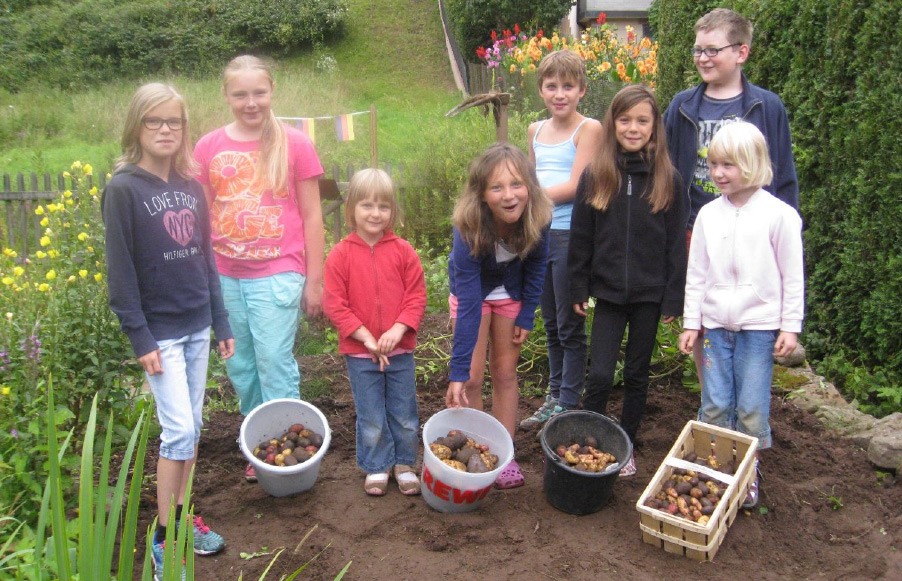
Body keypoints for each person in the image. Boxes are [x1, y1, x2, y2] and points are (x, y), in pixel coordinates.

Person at [103, 83, 235, 579]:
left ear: (184, 130)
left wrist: (219, 320)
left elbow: (206, 260)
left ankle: (182, 518)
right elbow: (121, 275)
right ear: (136, 126)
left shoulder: (190, 187)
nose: (164, 130)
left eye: (173, 122)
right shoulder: (123, 189)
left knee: (193, 430)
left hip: (198, 324)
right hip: (160, 334)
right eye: (154, 121)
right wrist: (140, 337)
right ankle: (162, 537)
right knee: (178, 430)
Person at [194, 55, 325, 483]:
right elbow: (198, 216)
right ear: (226, 96)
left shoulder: (294, 143)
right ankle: (259, 444)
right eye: (240, 94)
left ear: (271, 92)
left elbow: (311, 215)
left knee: (273, 359)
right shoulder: (208, 147)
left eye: (259, 93)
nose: (251, 102)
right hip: (224, 276)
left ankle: (288, 445)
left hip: (278, 273)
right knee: (242, 366)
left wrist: (316, 282)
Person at [663, 8, 799, 391]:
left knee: (751, 323)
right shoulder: (682, 106)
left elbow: (784, 174)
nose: (702, 58)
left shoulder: (765, 107)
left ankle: (748, 407)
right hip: (698, 228)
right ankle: (715, 399)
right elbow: (667, 171)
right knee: (707, 324)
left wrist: (789, 231)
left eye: (712, 50)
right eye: (697, 50)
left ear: (741, 53)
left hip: (755, 233)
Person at [678, 121, 804, 508]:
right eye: (714, 164)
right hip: (715, 326)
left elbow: (792, 275)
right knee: (715, 402)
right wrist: (691, 322)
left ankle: (748, 472)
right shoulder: (708, 216)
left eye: (728, 165)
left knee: (750, 407)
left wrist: (790, 326)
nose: (718, 173)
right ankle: (716, 469)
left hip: (759, 328)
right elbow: (696, 274)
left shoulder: (779, 216)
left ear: (752, 164)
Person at [568, 85, 686, 478]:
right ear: (613, 123)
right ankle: (591, 439)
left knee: (637, 373)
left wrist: (673, 299)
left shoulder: (668, 179)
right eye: (624, 120)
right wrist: (577, 286)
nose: (632, 128)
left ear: (655, 127)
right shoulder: (598, 175)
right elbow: (582, 237)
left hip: (650, 296)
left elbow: (674, 247)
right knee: (599, 373)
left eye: (642, 121)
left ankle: (627, 443)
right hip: (609, 294)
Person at [445, 143, 552, 489]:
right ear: (481, 194)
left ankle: (504, 455)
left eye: (517, 184)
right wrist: (457, 371)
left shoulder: (539, 217)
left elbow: (536, 267)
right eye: (497, 187)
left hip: (511, 293)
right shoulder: (468, 228)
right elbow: (470, 304)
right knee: (472, 379)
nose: (509, 196)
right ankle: (477, 452)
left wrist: (526, 316)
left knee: (505, 373)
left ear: (530, 187)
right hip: (472, 294)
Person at [323, 169, 426, 497]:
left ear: (392, 211)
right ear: (351, 207)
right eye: (367, 205)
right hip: (360, 353)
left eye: (383, 206)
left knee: (404, 411)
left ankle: (405, 463)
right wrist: (364, 336)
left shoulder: (403, 251)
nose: (375, 213)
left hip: (400, 350)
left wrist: (399, 328)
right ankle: (378, 464)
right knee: (371, 414)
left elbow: (416, 295)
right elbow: (335, 303)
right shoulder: (340, 254)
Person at [521, 50, 602, 429]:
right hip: (540, 235)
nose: (560, 94)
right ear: (541, 90)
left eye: (568, 86)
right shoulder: (535, 131)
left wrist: (526, 199)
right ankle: (555, 395)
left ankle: (569, 401)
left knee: (570, 323)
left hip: (570, 235)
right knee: (551, 323)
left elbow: (575, 185)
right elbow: (528, 178)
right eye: (551, 86)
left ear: (582, 90)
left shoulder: (589, 129)